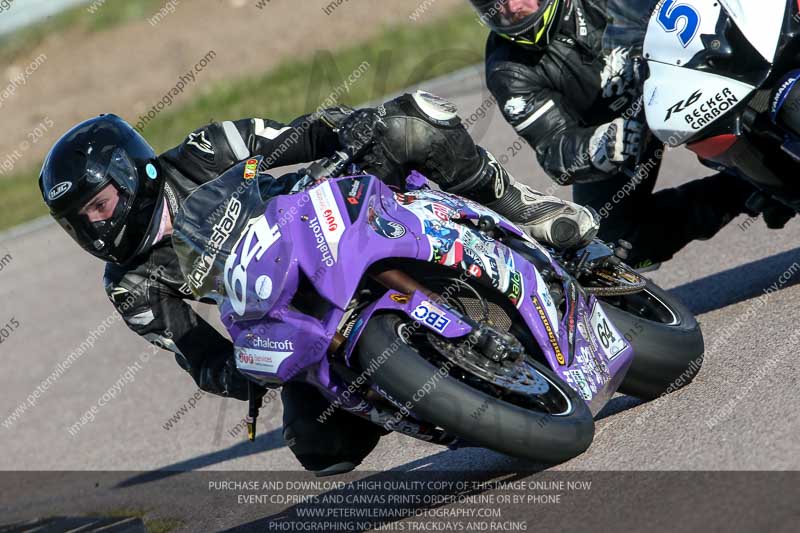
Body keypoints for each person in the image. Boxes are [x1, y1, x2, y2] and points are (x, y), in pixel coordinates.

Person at [39, 90, 599, 475]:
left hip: (329, 220)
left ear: (130, 174)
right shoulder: (130, 286)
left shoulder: (206, 150)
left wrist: (345, 127)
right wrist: (251, 371)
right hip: (286, 314)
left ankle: (519, 209)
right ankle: (429, 396)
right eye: (78, 221)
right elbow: (201, 356)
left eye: (99, 205)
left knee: (407, 122)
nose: (95, 225)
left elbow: (302, 134)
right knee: (319, 448)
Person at [467, 0, 789, 268]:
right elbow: (555, 149)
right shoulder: (507, 69)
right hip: (623, 133)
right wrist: (603, 144)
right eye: (494, 4)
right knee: (608, 245)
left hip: (690, 77)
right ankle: (747, 187)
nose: (512, 7)